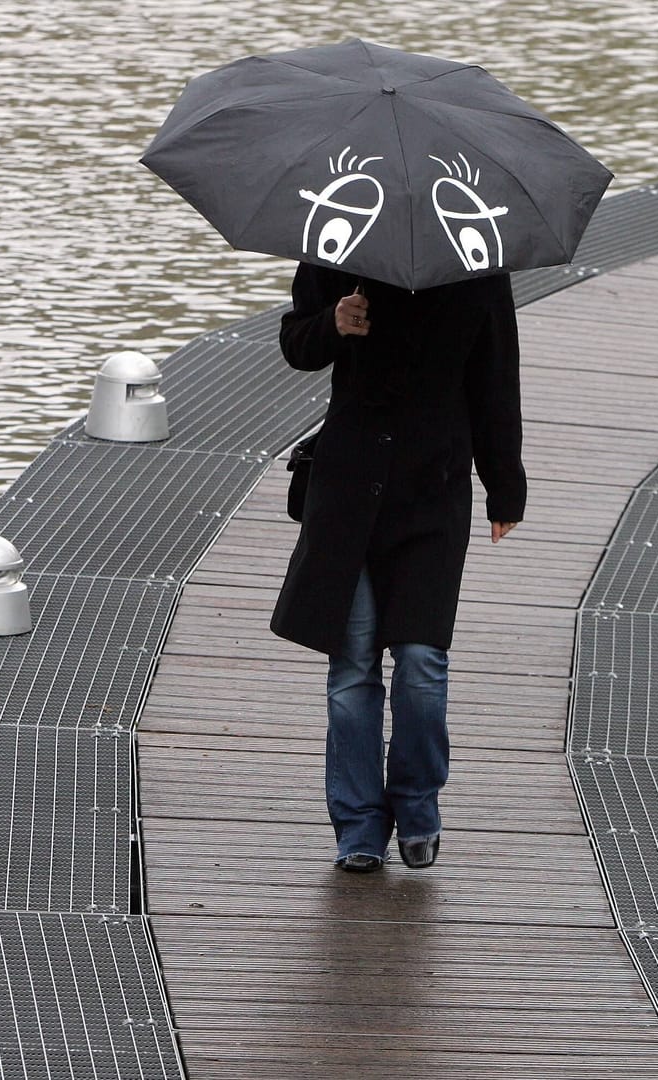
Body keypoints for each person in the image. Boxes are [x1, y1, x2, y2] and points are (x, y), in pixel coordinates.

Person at [269, 262, 524, 874]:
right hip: (348, 491)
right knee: (353, 665)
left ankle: (417, 807)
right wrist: (334, 324)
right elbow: (295, 345)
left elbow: (496, 380)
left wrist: (504, 486)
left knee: (421, 662)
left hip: (432, 495)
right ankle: (357, 824)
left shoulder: (477, 267)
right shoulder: (340, 249)